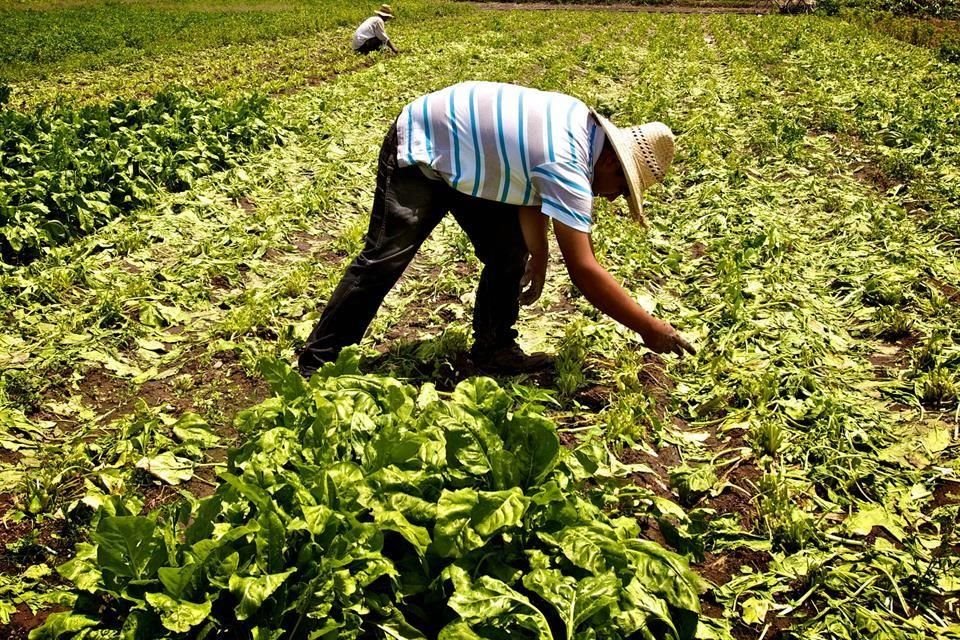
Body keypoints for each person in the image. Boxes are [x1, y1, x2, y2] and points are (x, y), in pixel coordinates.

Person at [298, 81, 695, 378]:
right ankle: (316, 363)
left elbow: (528, 189)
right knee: (385, 258)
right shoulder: (569, 162)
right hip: (424, 142)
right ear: (611, 162)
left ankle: (494, 348)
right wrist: (650, 328)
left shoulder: (580, 126)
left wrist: (537, 258)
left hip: (469, 158)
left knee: (508, 251)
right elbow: (584, 270)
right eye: (622, 189)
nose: (612, 199)